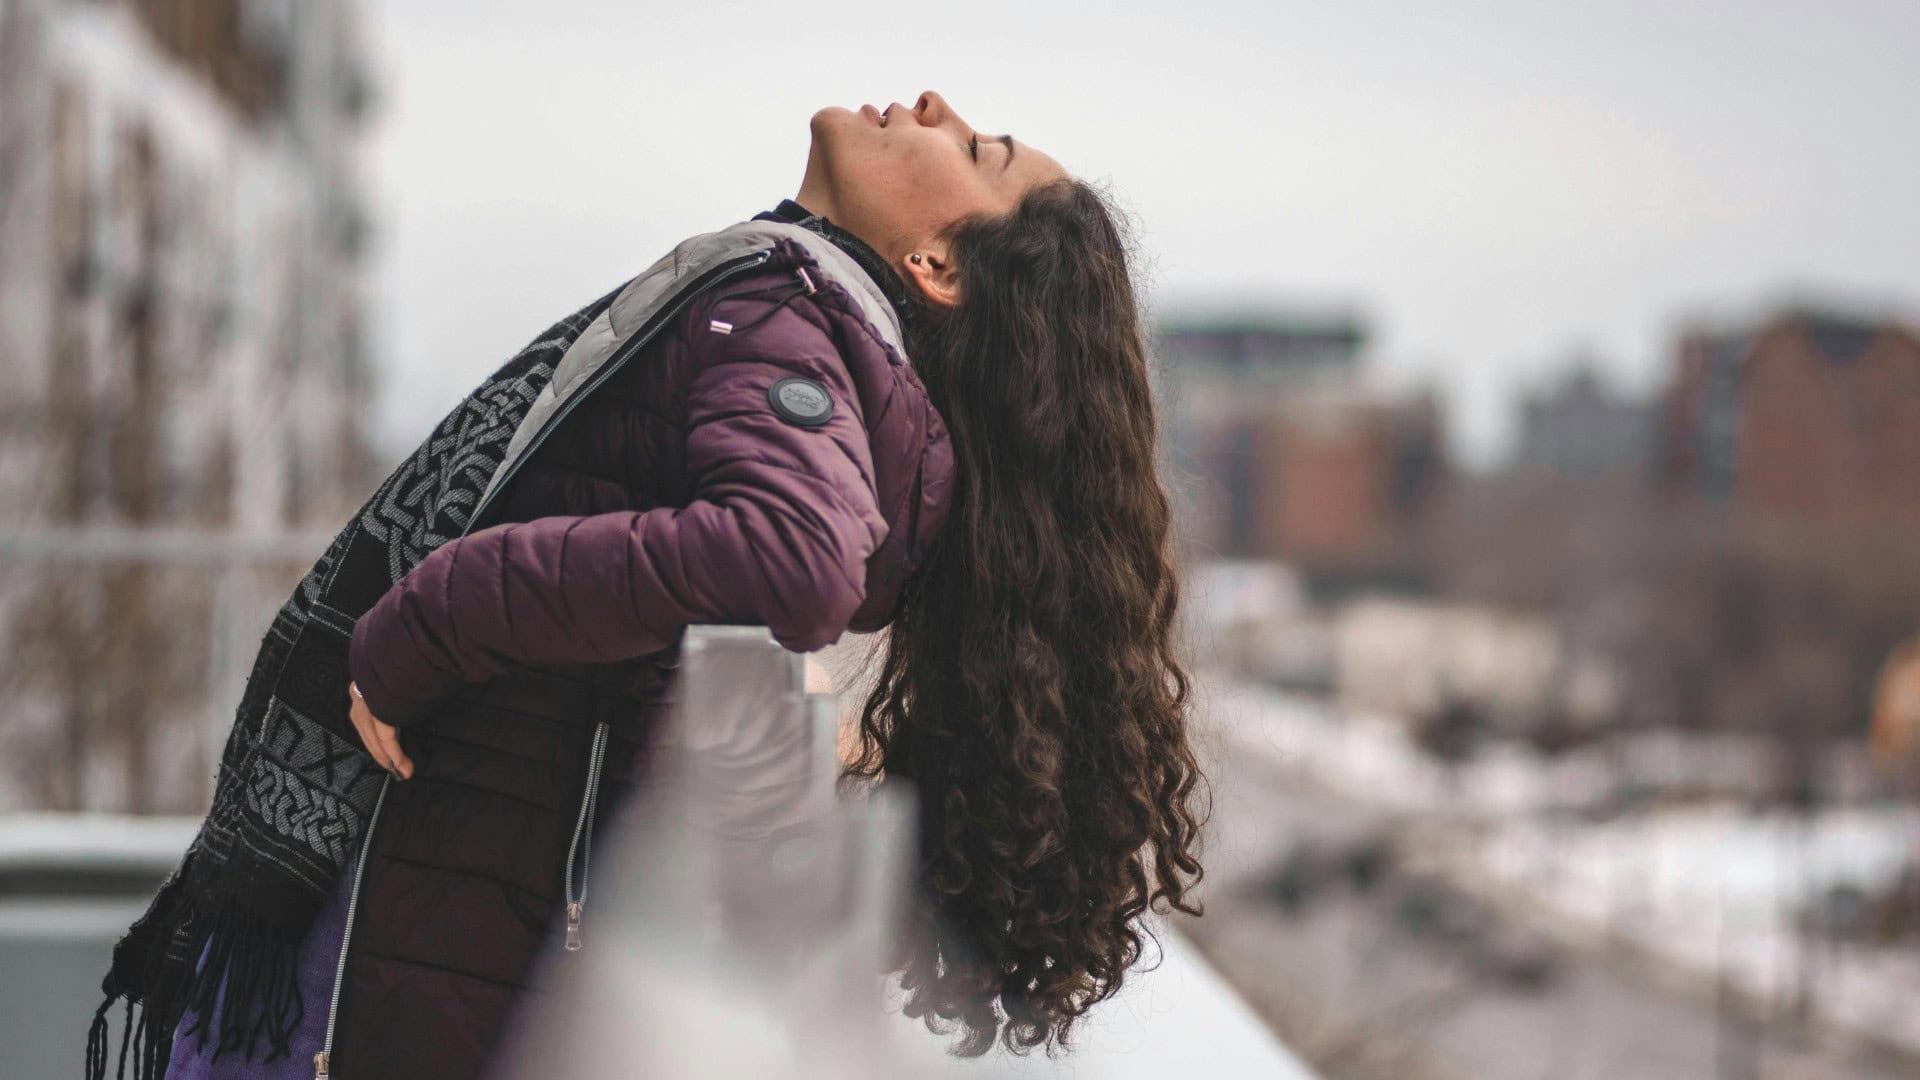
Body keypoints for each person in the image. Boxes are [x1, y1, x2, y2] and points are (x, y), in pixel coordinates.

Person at [141, 89, 1207, 1078]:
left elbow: (796, 552)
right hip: (457, 917)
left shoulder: (786, 313)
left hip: (414, 929)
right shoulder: (804, 319)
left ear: (935, 262)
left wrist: (433, 608)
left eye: (977, 151)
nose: (935, 107)